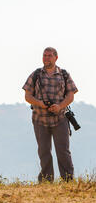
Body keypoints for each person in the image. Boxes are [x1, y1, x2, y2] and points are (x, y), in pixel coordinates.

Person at [23, 47, 78, 183]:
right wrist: (40, 104)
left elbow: (71, 95)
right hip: (40, 119)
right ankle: (46, 181)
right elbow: (27, 96)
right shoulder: (36, 74)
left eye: (49, 56)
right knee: (44, 152)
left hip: (60, 118)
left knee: (63, 151)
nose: (46, 58)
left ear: (56, 58)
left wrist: (60, 106)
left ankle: (68, 181)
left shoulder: (64, 74)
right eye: (44, 55)